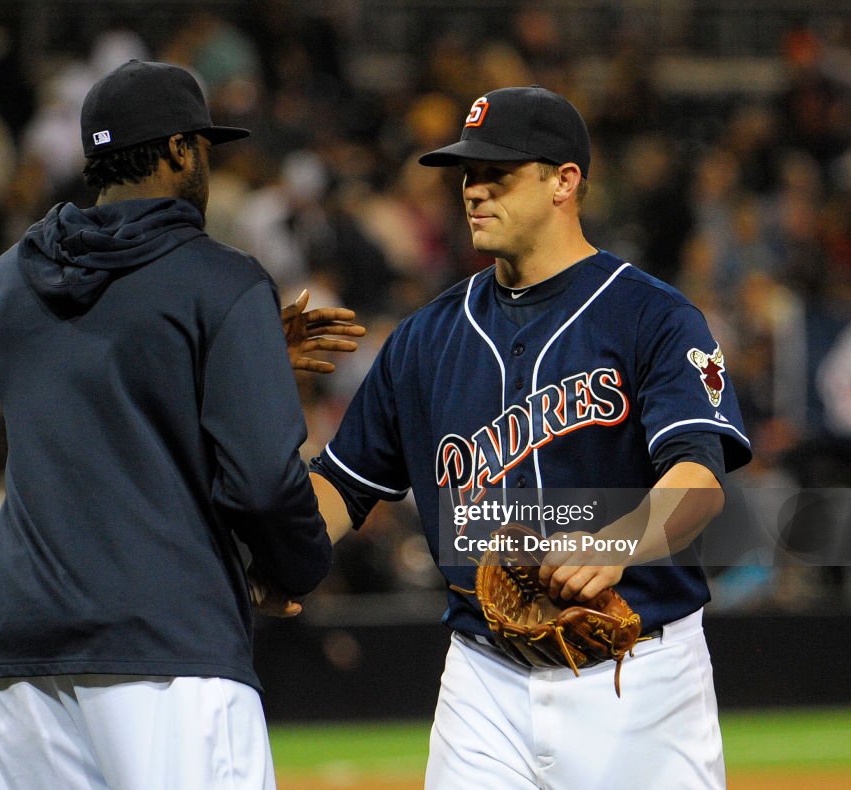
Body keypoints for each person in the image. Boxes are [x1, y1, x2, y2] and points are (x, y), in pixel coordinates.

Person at [304, 86, 752, 788]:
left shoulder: (652, 316)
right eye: (467, 175)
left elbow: (698, 482)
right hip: (483, 681)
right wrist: (266, 546)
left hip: (637, 678)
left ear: (564, 181)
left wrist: (614, 540)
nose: (474, 191)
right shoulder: (426, 338)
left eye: (498, 174)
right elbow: (339, 487)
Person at [0, 60, 362, 790]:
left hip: (27, 662)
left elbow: (101, 394)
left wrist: (229, 356)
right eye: (204, 146)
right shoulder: (221, 281)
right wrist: (295, 568)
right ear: (181, 149)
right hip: (169, 656)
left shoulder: (10, 281)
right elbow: (259, 482)